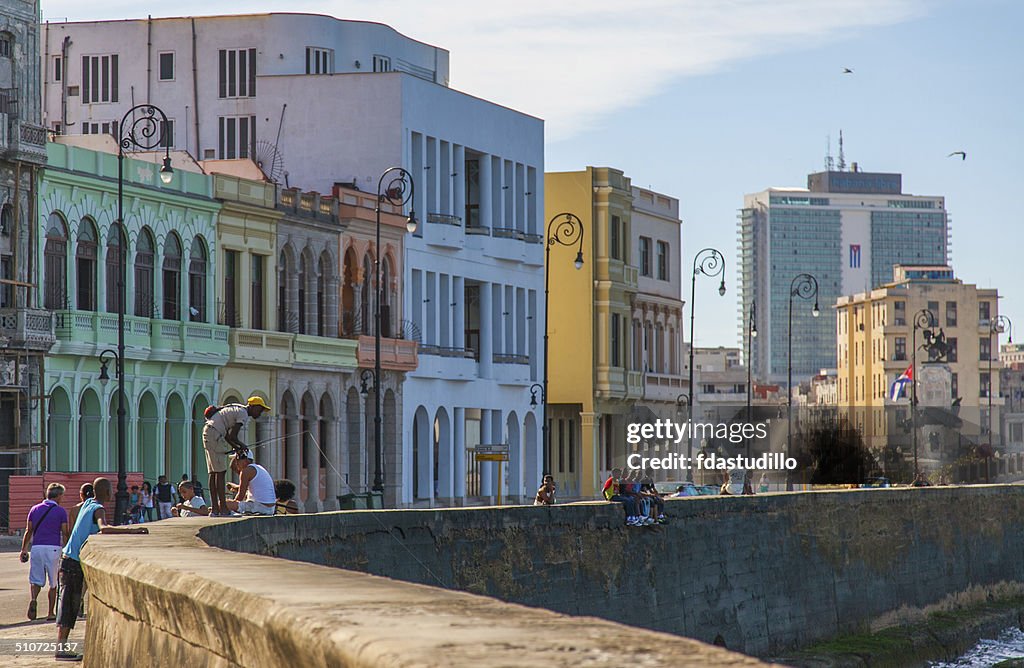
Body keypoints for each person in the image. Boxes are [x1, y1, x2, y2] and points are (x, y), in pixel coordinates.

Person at [55, 477, 147, 661]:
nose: (113, 493)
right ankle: (61, 649)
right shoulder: (98, 508)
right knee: (69, 606)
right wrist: (131, 531)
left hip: (67, 559)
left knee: (69, 604)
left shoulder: (88, 502)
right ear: (106, 493)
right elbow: (104, 528)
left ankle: (62, 647)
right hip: (73, 562)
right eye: (111, 490)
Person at [203, 396, 271, 516]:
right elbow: (233, 436)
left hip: (210, 433)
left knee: (213, 473)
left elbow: (228, 437)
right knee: (220, 473)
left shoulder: (237, 409)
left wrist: (237, 448)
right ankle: (222, 509)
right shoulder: (243, 414)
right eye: (259, 410)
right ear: (253, 407)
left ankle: (215, 509)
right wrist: (242, 445)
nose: (260, 413)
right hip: (215, 435)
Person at [20, 483, 70, 622]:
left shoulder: (34, 509)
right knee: (53, 582)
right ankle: (50, 613)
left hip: (36, 548)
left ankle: (34, 599)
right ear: (58, 495)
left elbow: (28, 530)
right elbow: (65, 532)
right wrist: (66, 549)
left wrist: (24, 549)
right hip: (53, 548)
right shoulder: (60, 511)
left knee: (36, 579)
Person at [225, 449, 277, 515]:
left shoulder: (246, 471)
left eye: (237, 460)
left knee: (223, 504)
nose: (236, 463)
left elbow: (240, 497)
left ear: (246, 460)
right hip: (269, 508)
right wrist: (234, 487)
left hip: (261, 507)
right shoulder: (258, 468)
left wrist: (232, 504)